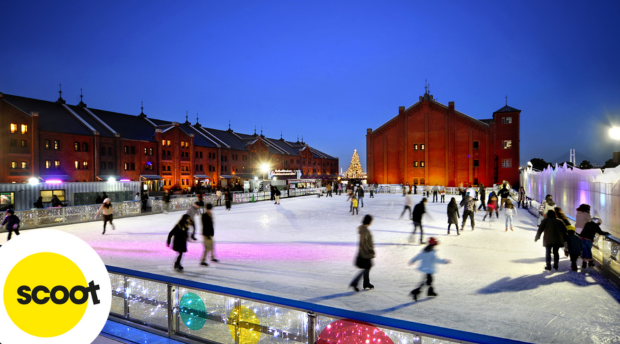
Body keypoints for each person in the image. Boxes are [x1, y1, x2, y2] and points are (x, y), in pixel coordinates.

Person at [350, 215, 375, 292]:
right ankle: (355, 282)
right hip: (365, 253)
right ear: (369, 221)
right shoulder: (364, 230)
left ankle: (366, 283)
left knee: (367, 268)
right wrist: (369, 250)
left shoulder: (364, 229)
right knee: (367, 267)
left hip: (364, 253)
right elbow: (364, 242)